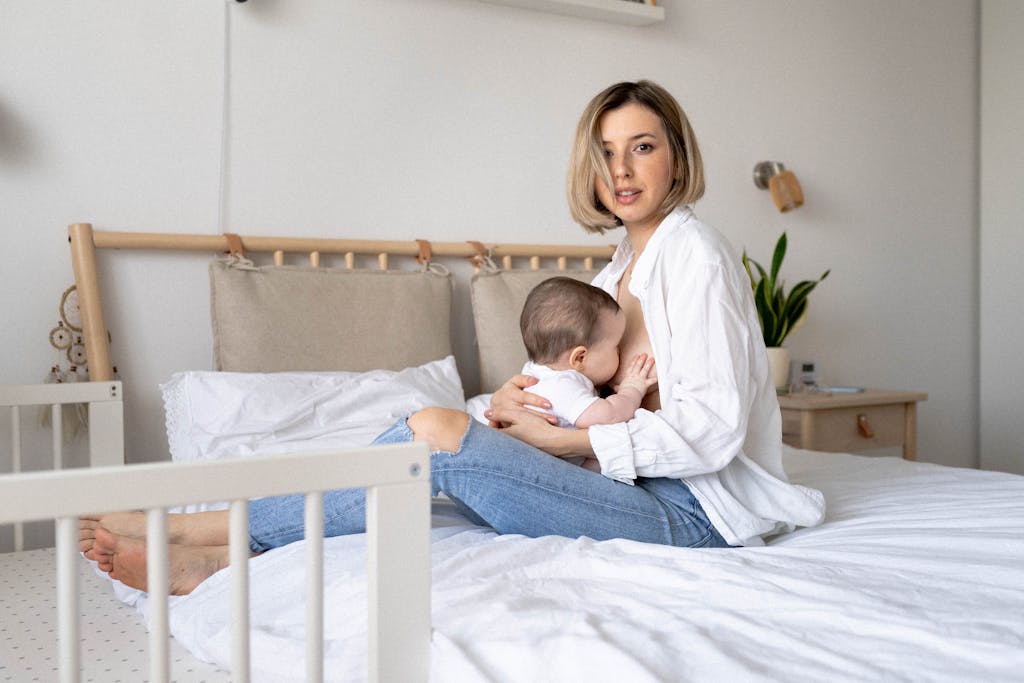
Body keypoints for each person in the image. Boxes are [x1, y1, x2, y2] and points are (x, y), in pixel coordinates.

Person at [81, 80, 826, 595]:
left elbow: (717, 428)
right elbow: (583, 388)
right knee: (430, 425)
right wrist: (510, 403)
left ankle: (206, 540)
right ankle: (209, 538)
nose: (622, 170)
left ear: (676, 155)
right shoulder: (618, 267)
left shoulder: (695, 254)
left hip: (697, 513)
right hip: (630, 481)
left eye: (642, 146)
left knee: (438, 435)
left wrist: (557, 443)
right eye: (607, 151)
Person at [518, 276, 657, 472]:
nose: (620, 351)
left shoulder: (538, 371)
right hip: (548, 471)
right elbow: (609, 416)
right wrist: (631, 389)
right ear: (580, 358)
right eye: (616, 346)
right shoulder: (562, 385)